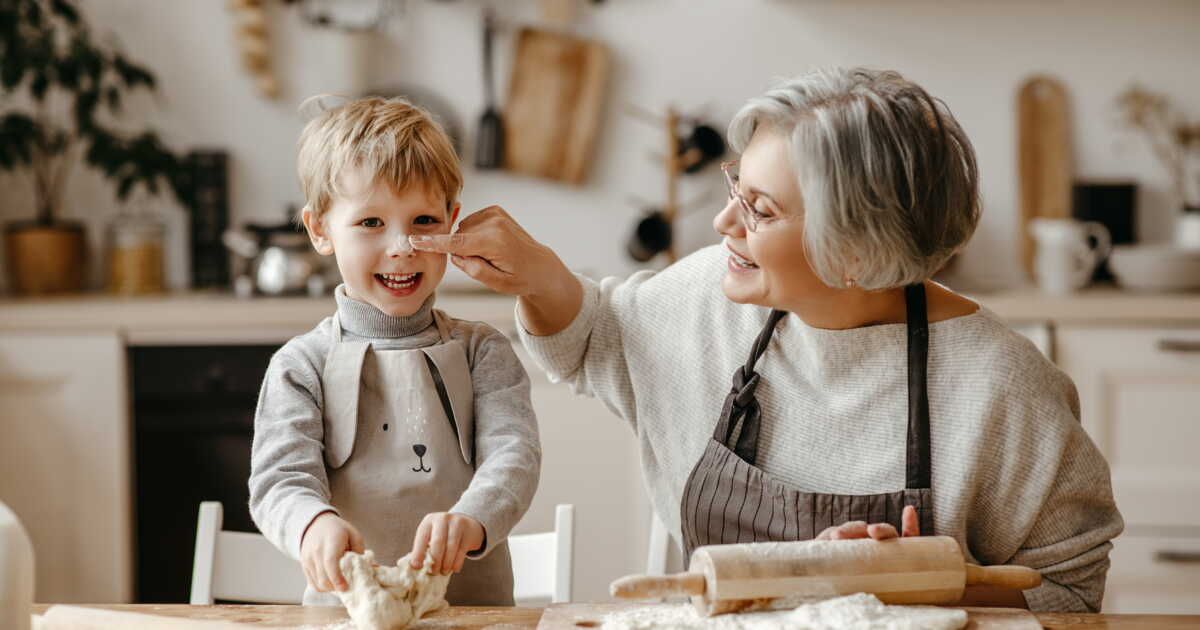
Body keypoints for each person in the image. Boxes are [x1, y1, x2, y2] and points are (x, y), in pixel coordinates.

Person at [411, 68, 1123, 612]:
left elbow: (1067, 589)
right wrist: (539, 275)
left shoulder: (999, 385)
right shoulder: (705, 300)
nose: (724, 222)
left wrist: (923, 586)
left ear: (856, 251)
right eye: (735, 188)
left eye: (761, 209)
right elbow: (600, 336)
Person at [249, 96, 540, 606]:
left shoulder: (483, 353)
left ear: (452, 222)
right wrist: (311, 523)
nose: (402, 245)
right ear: (320, 229)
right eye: (370, 223)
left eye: (424, 220)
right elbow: (279, 482)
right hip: (346, 615)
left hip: (474, 616)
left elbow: (513, 458)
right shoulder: (300, 367)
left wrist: (472, 519)